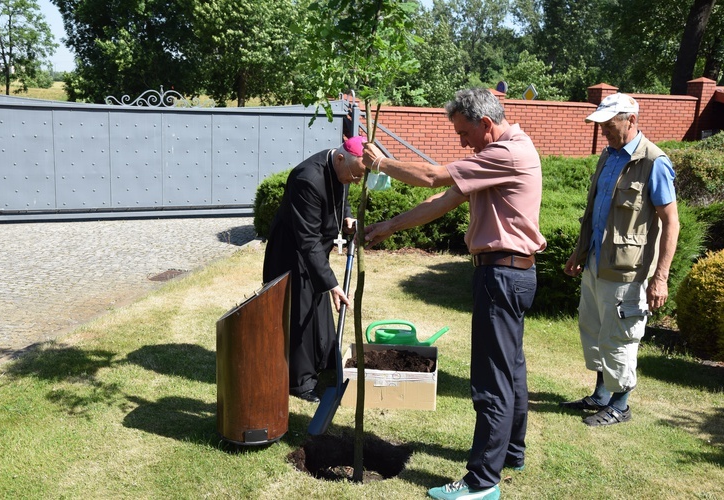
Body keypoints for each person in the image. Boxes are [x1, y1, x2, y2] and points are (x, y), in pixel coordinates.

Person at [363, 87, 546, 500]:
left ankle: (482, 482)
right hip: (510, 274)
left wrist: (382, 163)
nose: (461, 142)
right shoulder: (502, 154)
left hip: (501, 276)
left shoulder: (506, 154)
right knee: (511, 370)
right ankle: (511, 452)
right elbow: (441, 200)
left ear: (486, 124)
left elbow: (432, 176)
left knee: (491, 381)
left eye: (464, 133)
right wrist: (387, 226)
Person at [561, 93, 679, 426]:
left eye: (610, 125)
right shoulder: (608, 156)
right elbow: (595, 213)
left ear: (631, 120)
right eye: (602, 127)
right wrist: (579, 251)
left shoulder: (654, 162)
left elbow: (671, 221)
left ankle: (620, 404)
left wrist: (661, 277)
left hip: (629, 270)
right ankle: (601, 395)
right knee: (595, 328)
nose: (605, 133)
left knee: (620, 336)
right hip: (598, 261)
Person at [262, 136, 367, 403]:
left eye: (359, 178)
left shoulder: (342, 168)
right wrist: (332, 284)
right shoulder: (306, 178)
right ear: (341, 158)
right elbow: (306, 239)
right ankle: (300, 381)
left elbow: (341, 196)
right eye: (354, 175)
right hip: (292, 252)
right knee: (300, 312)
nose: (355, 181)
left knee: (318, 307)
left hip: (314, 250)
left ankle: (324, 360)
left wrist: (347, 216)